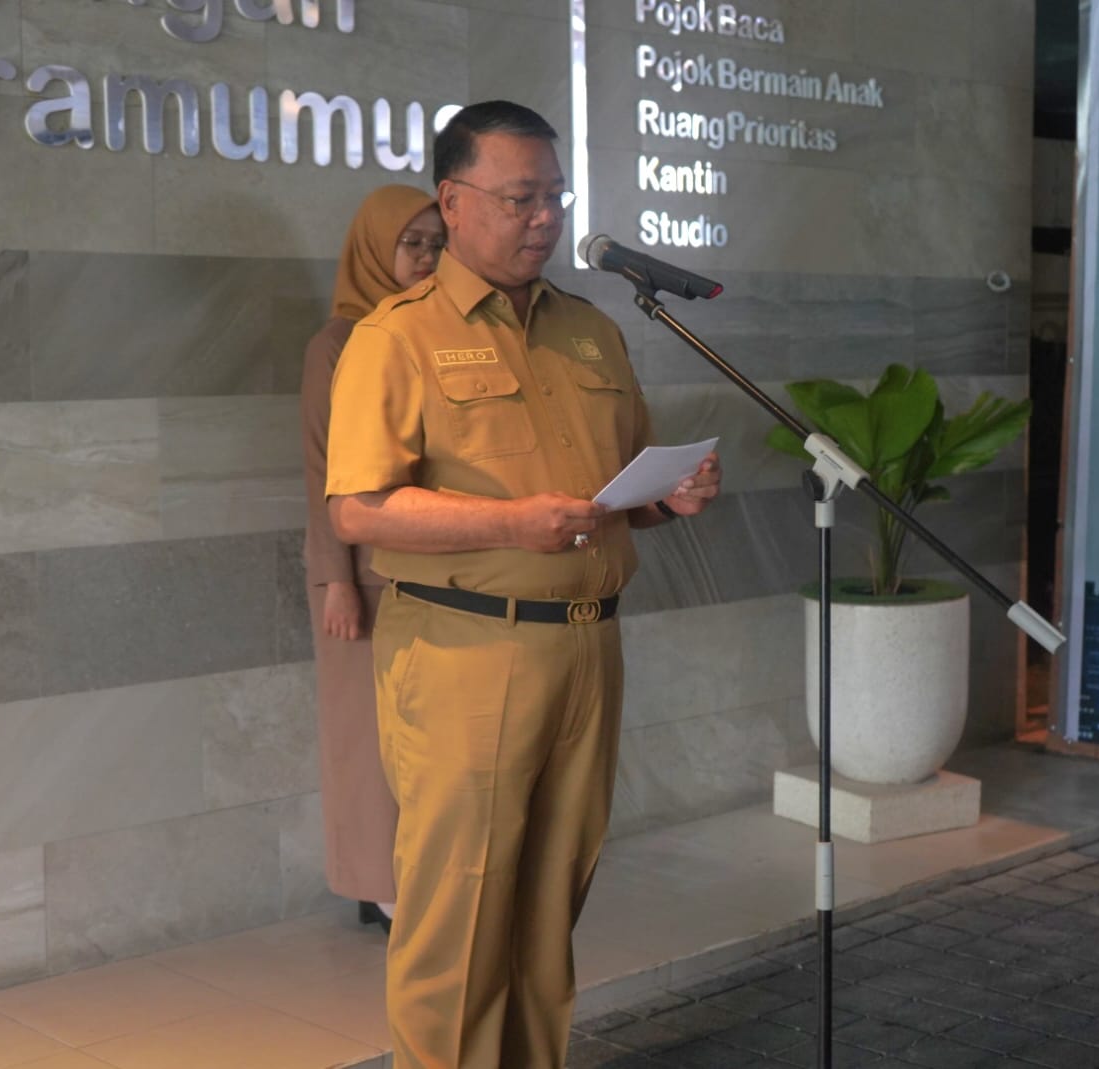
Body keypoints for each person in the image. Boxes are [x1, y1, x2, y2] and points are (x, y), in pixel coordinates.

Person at [323, 101, 721, 1069]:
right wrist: (510, 522)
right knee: (458, 915)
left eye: (554, 197)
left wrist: (669, 498)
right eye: (519, 198)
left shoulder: (589, 331)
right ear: (453, 202)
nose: (543, 217)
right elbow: (360, 509)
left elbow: (615, 490)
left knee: (550, 905)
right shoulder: (396, 336)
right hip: (467, 649)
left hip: (587, 645)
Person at [300, 184, 445, 933]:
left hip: (429, 568)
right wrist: (336, 579)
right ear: (373, 247)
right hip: (359, 574)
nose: (426, 258)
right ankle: (378, 888)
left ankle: (412, 880)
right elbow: (321, 469)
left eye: (436, 244)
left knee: (422, 740)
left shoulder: (430, 331)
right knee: (366, 738)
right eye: (410, 243)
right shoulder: (337, 344)